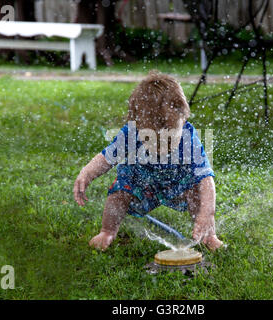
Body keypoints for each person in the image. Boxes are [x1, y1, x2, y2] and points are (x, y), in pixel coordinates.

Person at [73, 71, 223, 251]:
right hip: (140, 183)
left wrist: (207, 213)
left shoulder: (189, 139)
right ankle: (107, 231)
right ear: (136, 123)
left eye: (169, 139)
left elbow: (206, 179)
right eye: (152, 140)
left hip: (176, 184)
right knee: (118, 193)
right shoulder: (131, 133)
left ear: (184, 118)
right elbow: (106, 159)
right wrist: (86, 174)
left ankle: (209, 235)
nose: (161, 148)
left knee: (197, 193)